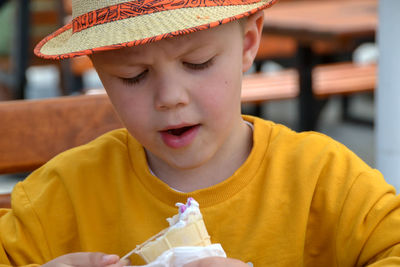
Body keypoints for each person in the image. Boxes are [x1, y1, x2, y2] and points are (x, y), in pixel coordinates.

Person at [1, 0, 400, 266]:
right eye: (133, 75)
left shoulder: (321, 180)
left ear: (248, 43)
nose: (170, 98)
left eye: (198, 62)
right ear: (100, 71)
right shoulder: (63, 196)